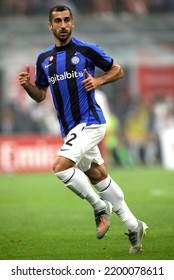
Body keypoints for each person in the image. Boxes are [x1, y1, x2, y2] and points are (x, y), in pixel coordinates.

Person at [19, 5, 148, 253]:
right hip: (70, 128)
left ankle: (99, 207)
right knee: (98, 176)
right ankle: (134, 226)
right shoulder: (44, 59)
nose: (63, 25)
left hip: (90, 121)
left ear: (73, 23)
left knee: (60, 168)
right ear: (51, 26)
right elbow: (39, 95)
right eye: (58, 21)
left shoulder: (86, 50)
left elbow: (118, 70)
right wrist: (27, 86)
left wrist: (98, 80)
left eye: (67, 20)